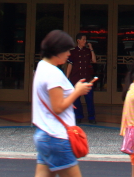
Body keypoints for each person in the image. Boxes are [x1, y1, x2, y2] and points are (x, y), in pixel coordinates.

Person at [32, 30, 93, 177]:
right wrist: (77, 92)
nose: (69, 54)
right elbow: (58, 107)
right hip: (56, 137)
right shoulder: (53, 73)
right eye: (66, 50)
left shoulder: (42, 66)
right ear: (57, 51)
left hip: (44, 134)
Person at [65, 33, 96, 124]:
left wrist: (91, 48)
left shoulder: (87, 51)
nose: (85, 41)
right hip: (76, 78)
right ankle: (78, 116)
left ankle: (91, 117)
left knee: (89, 99)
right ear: (78, 40)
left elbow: (94, 60)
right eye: (83, 39)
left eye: (85, 40)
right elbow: (70, 65)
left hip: (87, 79)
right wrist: (67, 78)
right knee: (76, 99)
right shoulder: (73, 51)